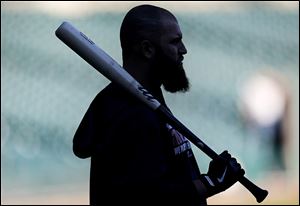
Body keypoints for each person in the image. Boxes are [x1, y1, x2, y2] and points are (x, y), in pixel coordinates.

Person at [73, 4, 245, 205]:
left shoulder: (138, 99)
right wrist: (210, 182)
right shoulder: (130, 113)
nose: (183, 50)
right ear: (147, 49)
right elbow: (148, 198)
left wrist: (207, 179)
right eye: (175, 41)